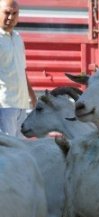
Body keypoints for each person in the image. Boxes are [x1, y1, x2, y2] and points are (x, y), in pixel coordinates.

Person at [0, 0, 36, 137]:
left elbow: (22, 70)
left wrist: (32, 96)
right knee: (7, 151)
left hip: (21, 105)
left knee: (20, 149)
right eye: (7, 13)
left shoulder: (17, 38)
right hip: (4, 106)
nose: (10, 17)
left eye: (14, 13)